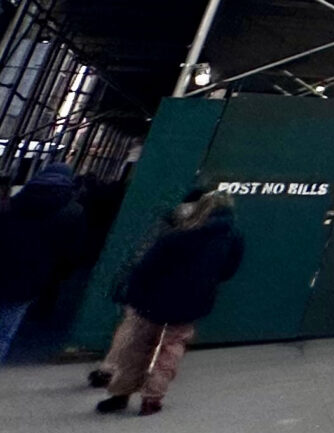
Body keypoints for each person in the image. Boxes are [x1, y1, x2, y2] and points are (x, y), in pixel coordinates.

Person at [94, 189, 243, 415]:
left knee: (135, 348)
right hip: (192, 303)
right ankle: (152, 399)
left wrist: (134, 292)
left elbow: (148, 268)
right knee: (171, 351)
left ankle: (120, 394)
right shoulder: (234, 238)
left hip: (152, 299)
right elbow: (228, 271)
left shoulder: (179, 235)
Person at [0, 163, 85, 360]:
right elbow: (72, 252)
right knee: (5, 331)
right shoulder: (73, 211)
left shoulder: (14, 200)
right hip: (31, 278)